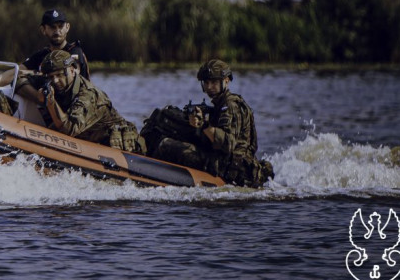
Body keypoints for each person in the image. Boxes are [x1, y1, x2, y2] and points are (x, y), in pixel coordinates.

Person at [142, 59, 273, 187]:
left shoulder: (230, 106)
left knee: (166, 145)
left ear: (226, 81)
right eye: (206, 82)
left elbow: (228, 144)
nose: (209, 87)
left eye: (214, 82)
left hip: (231, 168)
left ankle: (144, 174)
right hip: (225, 161)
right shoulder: (220, 105)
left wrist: (203, 124)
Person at [18, 49, 145, 153]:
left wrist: (50, 102)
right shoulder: (50, 83)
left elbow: (68, 130)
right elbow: (18, 80)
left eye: (60, 75)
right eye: (51, 77)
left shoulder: (88, 95)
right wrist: (37, 97)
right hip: (84, 138)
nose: (56, 81)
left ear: (72, 71)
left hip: (115, 145)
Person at [22, 8, 90, 79]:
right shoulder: (41, 55)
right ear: (43, 30)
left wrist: (33, 73)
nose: (57, 31)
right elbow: (17, 71)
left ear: (67, 27)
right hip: (45, 89)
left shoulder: (75, 51)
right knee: (20, 82)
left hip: (74, 90)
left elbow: (71, 73)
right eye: (52, 27)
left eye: (60, 26)